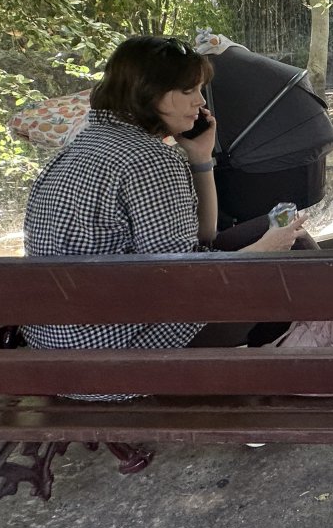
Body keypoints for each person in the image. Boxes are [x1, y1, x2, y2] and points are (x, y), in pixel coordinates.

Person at [21, 35, 313, 369]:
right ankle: (316, 364)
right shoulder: (150, 160)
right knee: (292, 258)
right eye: (188, 91)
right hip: (124, 355)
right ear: (147, 93)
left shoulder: (78, 148)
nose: (200, 101)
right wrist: (266, 250)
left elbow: (201, 239)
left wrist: (200, 157)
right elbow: (184, 280)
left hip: (65, 347)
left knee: (281, 230)